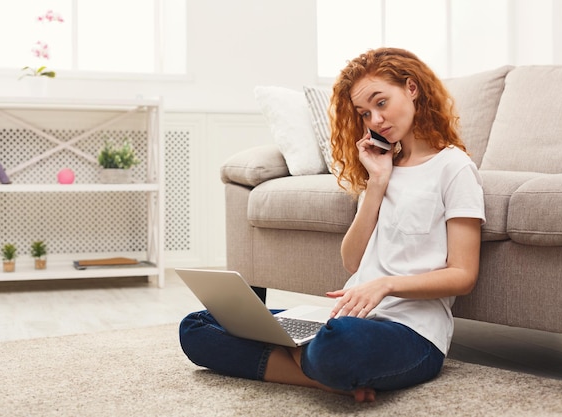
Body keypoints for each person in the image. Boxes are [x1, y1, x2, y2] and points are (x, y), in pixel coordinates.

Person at [179, 47, 485, 403]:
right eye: (364, 113)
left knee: (336, 344)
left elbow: (463, 275)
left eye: (381, 103)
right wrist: (377, 183)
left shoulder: (454, 168)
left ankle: (317, 363)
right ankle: (320, 379)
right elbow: (352, 262)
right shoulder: (382, 169)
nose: (375, 120)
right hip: (344, 320)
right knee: (197, 326)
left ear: (412, 88)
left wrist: (385, 286)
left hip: (411, 333)